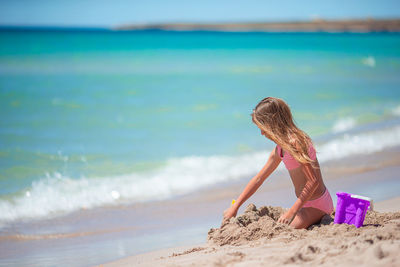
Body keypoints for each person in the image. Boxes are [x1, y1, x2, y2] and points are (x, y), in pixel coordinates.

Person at [223, 97, 333, 229]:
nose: (262, 133)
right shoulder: (280, 149)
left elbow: (313, 181)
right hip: (304, 204)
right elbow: (259, 179)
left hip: (318, 204)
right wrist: (235, 206)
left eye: (263, 128)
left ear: (273, 124)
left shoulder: (296, 142)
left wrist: (291, 212)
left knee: (285, 229)